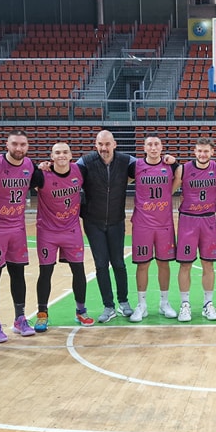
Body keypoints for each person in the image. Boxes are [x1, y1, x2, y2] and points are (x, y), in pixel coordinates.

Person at [0, 130, 35, 342]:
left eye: (22, 144)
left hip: (17, 227)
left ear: (27, 146)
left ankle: (20, 319)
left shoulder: (29, 165)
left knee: (18, 273)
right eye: (15, 144)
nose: (18, 148)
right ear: (7, 145)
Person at [77, 130, 135, 323]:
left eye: (107, 144)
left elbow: (149, 165)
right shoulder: (85, 162)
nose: (104, 148)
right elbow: (66, 173)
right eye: (100, 144)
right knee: (101, 265)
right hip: (93, 222)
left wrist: (170, 161)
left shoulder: (126, 161)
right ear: (96, 145)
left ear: (114, 144)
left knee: (118, 263)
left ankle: (124, 302)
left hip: (116, 221)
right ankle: (108, 306)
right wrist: (46, 168)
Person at [32, 142, 90, 330]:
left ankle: (81, 311)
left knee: (78, 270)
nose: (62, 155)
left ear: (71, 156)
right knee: (45, 272)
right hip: (47, 232)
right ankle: (42, 314)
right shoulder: (41, 175)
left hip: (72, 230)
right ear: (52, 156)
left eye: (65, 152)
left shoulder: (80, 171)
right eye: (57, 152)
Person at [129, 134, 179, 323]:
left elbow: (180, 176)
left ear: (161, 147)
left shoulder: (170, 166)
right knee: (142, 264)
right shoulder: (136, 166)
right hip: (142, 224)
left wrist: (175, 162)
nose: (153, 147)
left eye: (156, 144)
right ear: (144, 148)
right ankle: (141, 305)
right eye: (149, 144)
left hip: (164, 224)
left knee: (164, 263)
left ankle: (164, 303)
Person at [175, 137, 216, 321]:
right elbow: (169, 190)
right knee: (185, 264)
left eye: (206, 151)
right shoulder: (184, 169)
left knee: (208, 264)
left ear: (212, 152)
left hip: (208, 220)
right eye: (199, 151)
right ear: (195, 152)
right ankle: (185, 304)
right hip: (188, 220)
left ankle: (208, 304)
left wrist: (213, 196)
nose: (203, 154)